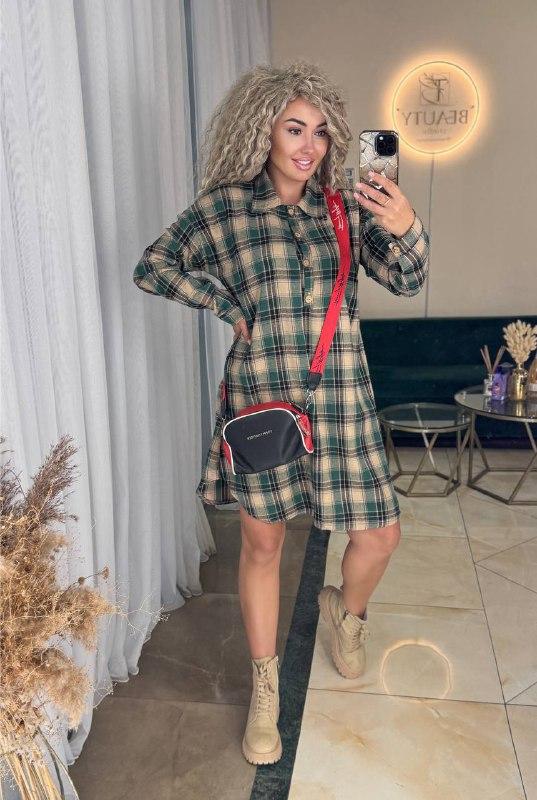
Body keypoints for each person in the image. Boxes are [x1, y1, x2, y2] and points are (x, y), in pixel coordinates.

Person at [133, 60, 430, 766]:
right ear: (261, 129)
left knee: (380, 534)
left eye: (320, 133)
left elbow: (405, 278)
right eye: (294, 128)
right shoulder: (225, 210)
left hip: (342, 399)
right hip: (264, 399)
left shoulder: (343, 208)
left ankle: (345, 613)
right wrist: (224, 301)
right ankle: (265, 687)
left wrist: (405, 224)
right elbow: (154, 265)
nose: (308, 146)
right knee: (263, 545)